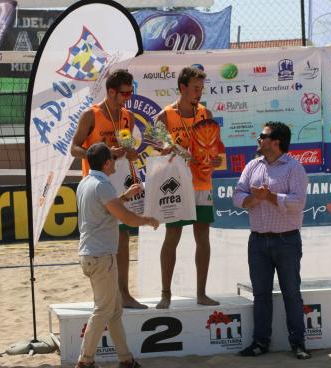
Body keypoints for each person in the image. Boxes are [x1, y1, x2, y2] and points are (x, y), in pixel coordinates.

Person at [75, 142, 159, 368]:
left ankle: (126, 359)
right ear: (106, 162)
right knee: (103, 310)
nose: (116, 161)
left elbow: (105, 208)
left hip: (91, 254)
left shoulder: (85, 183)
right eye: (113, 157)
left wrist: (126, 195)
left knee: (113, 310)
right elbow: (127, 219)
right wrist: (148, 220)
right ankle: (85, 361)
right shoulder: (103, 185)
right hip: (102, 256)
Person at [232, 121, 311, 360]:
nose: (258, 139)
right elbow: (237, 195)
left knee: (291, 293)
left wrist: (270, 196)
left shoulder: (294, 168)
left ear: (275, 142)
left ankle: (298, 344)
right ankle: (260, 343)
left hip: (286, 241)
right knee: (261, 294)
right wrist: (255, 199)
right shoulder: (252, 165)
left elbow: (298, 203)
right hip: (257, 241)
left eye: (262, 136)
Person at [71, 69, 146, 309]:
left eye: (131, 92)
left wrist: (130, 152)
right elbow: (74, 149)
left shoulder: (128, 117)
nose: (128, 97)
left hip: (119, 179)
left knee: (122, 237)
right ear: (110, 91)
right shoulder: (90, 115)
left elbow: (126, 148)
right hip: (96, 184)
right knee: (101, 242)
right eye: (124, 93)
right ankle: (106, 298)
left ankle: (123, 294)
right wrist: (101, 154)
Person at [154, 66, 223, 309]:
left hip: (202, 182)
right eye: (195, 88)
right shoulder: (165, 116)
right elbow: (155, 142)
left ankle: (201, 294)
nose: (199, 93)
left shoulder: (206, 113)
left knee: (202, 237)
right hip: (176, 185)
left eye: (202, 89)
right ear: (183, 88)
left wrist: (216, 160)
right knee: (172, 235)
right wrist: (164, 147)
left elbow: (217, 150)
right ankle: (165, 294)